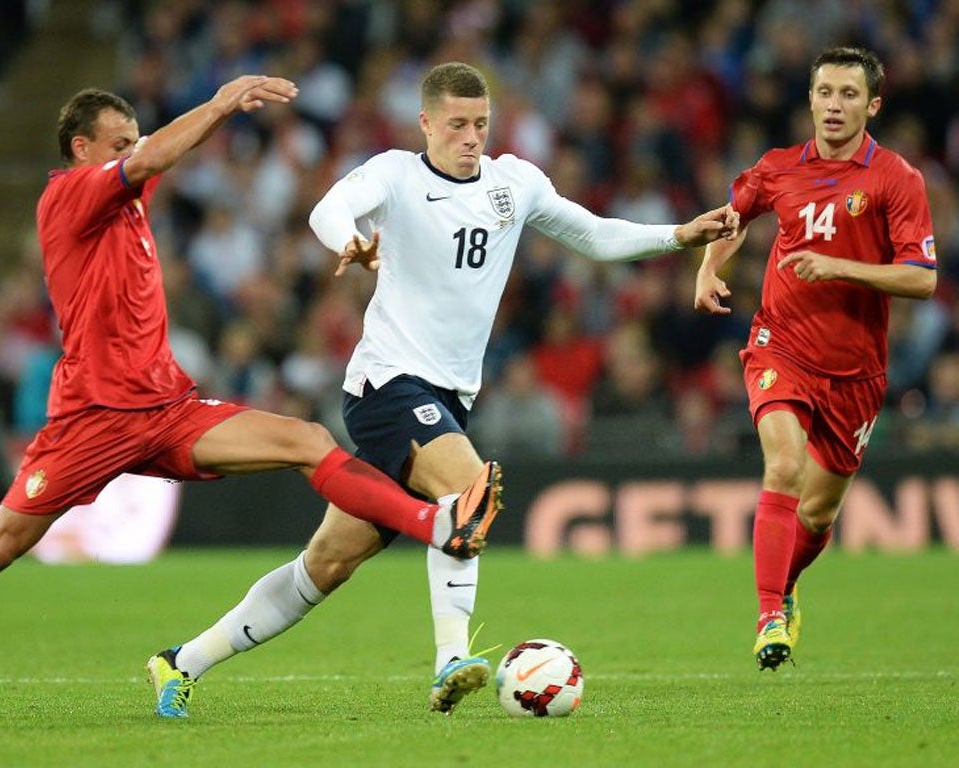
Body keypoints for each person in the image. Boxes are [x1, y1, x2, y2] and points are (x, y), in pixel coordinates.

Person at [157, 61, 739, 717]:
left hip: (448, 397)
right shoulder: (397, 175)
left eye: (481, 124)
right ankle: (449, 661)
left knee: (326, 565)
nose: (471, 137)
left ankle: (181, 661)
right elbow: (331, 206)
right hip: (388, 384)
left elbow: (593, 234)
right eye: (457, 124)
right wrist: (349, 239)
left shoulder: (514, 183)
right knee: (470, 488)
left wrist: (679, 235)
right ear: (427, 123)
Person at [0, 76, 504, 703]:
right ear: (79, 149)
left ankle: (436, 523)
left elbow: (159, 150)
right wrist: (222, 101)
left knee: (308, 440)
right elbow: (152, 155)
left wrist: (232, 124)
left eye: (133, 139)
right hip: (91, 421)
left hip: (166, 410)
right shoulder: (70, 197)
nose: (132, 150)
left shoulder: (127, 198)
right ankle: (440, 523)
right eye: (117, 143)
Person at [693, 46, 937, 670]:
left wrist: (838, 267)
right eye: (825, 92)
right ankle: (769, 614)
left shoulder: (896, 179)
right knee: (783, 468)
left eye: (849, 94)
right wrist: (707, 269)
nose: (834, 104)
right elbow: (732, 219)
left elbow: (921, 278)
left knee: (820, 509)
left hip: (857, 369)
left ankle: (788, 586)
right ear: (810, 99)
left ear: (872, 105)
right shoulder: (776, 168)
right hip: (781, 344)